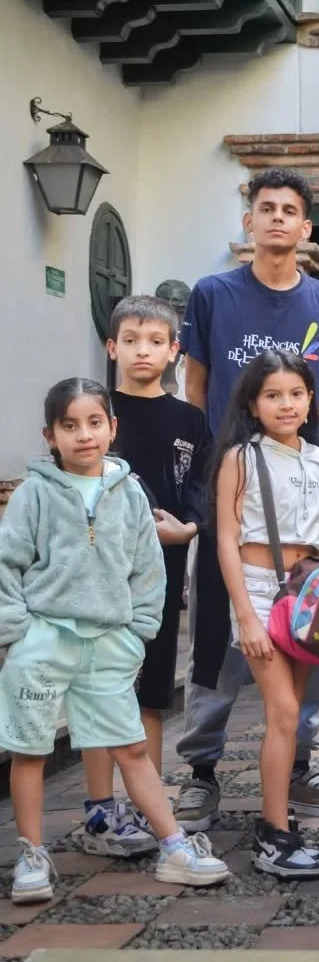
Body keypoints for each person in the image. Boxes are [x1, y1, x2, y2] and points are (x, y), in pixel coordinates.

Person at [0, 379, 230, 903]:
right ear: (50, 435)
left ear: (112, 428)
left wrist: (137, 631)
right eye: (70, 425)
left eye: (94, 422)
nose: (84, 435)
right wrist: (17, 633)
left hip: (109, 644)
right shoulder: (36, 493)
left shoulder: (128, 492)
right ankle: (32, 856)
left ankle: (173, 845)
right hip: (44, 642)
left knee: (130, 746)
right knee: (30, 749)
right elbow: (6, 564)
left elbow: (149, 569)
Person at [176, 168, 319, 832]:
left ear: (305, 229)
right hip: (230, 486)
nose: (277, 218)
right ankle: (199, 771)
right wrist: (202, 481)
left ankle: (301, 767)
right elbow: (195, 386)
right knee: (221, 645)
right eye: (266, 208)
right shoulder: (213, 294)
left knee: (305, 636)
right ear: (249, 222)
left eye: (290, 210)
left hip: (298, 496)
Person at [76, 297, 211, 860]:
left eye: (155, 341)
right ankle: (100, 811)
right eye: (131, 340)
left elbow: (198, 485)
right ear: (113, 347)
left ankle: (145, 804)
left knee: (151, 694)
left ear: (174, 350)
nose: (142, 351)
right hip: (96, 580)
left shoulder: (189, 419)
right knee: (97, 692)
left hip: (160, 574)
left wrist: (192, 527)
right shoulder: (93, 414)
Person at [210, 350, 319, 878]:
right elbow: (226, 540)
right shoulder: (240, 459)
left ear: (311, 399)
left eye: (296, 393)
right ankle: (273, 832)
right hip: (258, 589)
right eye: (272, 395)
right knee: (284, 713)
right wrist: (245, 616)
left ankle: (280, 822)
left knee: (293, 714)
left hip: (308, 596)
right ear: (253, 402)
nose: (286, 404)